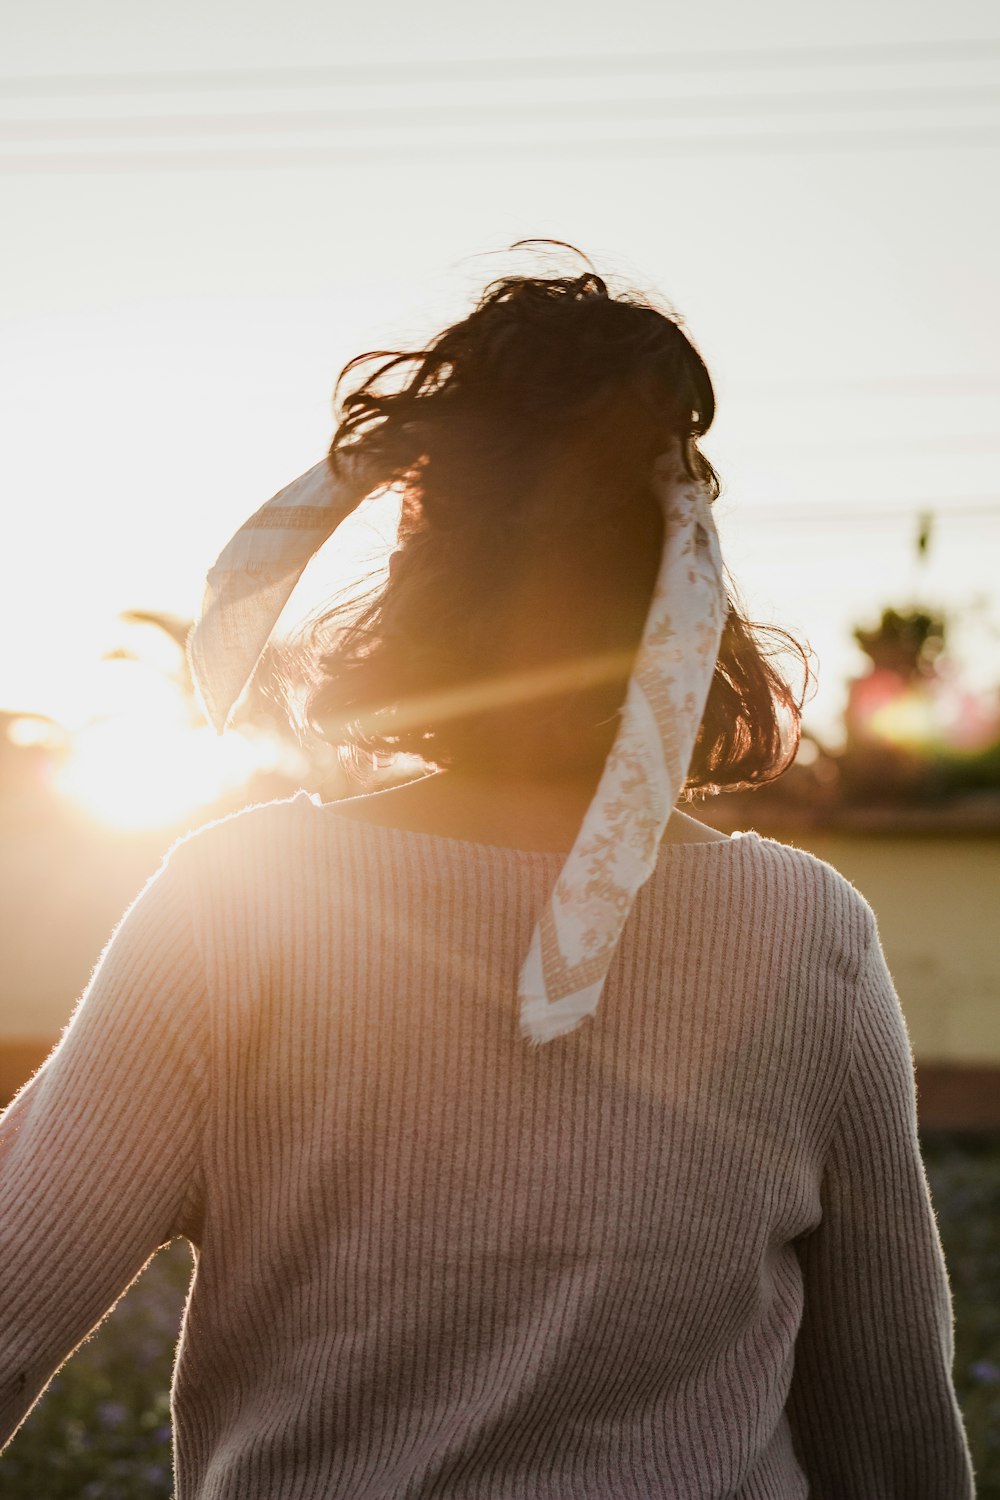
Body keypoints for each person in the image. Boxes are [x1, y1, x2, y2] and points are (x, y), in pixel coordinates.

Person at [0, 253, 976, 1498]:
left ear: (422, 563)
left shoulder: (238, 902)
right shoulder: (803, 930)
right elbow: (888, 1430)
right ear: (687, 582)